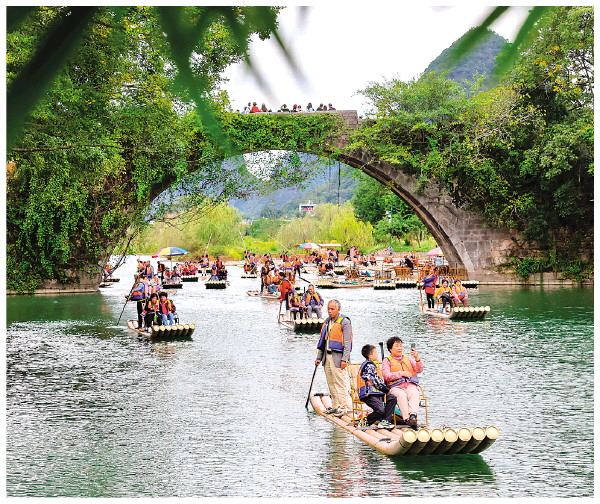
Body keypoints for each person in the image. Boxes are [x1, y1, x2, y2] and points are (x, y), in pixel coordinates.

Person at [315, 300, 353, 417]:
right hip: (327, 356)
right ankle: (335, 405)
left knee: (340, 382)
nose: (330, 311)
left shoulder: (345, 322)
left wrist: (344, 359)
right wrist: (319, 357)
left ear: (338, 309)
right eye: (328, 309)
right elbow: (323, 341)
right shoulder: (327, 322)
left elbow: (347, 343)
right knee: (331, 382)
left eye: (332, 309)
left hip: (338, 357)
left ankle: (343, 407)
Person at [382, 337, 423, 429]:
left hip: (409, 385)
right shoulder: (387, 361)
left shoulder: (408, 358)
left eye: (401, 345)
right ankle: (407, 418)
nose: (400, 348)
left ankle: (413, 416)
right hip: (395, 387)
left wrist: (417, 358)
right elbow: (386, 376)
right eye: (397, 346)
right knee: (401, 395)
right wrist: (401, 373)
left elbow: (419, 369)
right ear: (390, 349)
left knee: (414, 393)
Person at [358, 345, 397, 428]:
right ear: (370, 356)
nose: (377, 354)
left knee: (392, 398)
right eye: (375, 353)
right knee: (380, 411)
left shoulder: (374, 365)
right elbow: (375, 380)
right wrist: (384, 388)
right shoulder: (369, 366)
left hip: (377, 393)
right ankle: (366, 420)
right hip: (369, 394)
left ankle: (386, 421)